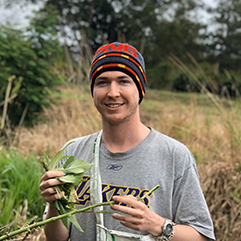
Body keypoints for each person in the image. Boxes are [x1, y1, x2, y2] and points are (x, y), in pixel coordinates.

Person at [39, 42, 216, 241]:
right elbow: (57, 238)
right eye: (102, 82)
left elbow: (202, 236)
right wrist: (54, 203)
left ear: (140, 90)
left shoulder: (175, 156)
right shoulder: (72, 152)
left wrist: (158, 225)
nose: (113, 93)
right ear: (93, 91)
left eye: (123, 81)